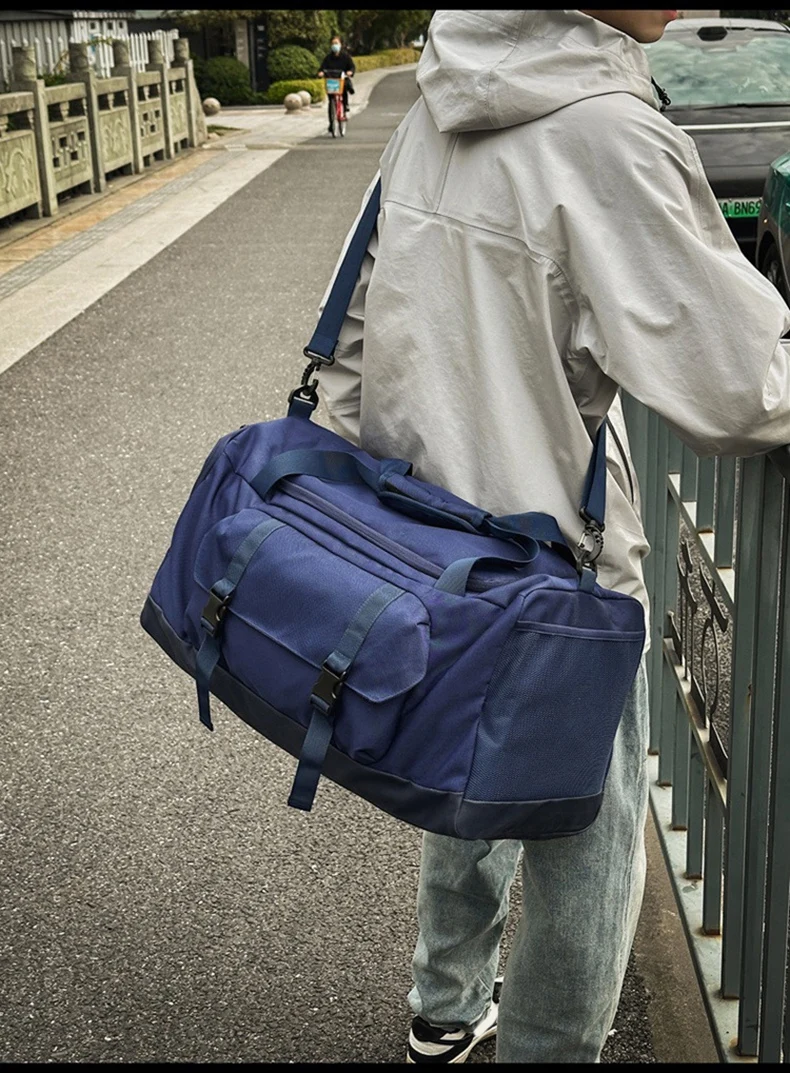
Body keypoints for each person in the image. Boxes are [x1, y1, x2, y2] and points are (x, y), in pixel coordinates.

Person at [316, 9, 790, 1064]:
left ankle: (444, 1004)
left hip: (426, 537)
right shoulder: (610, 130)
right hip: (555, 562)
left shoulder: (439, 97)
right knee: (587, 834)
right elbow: (739, 386)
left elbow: (351, 326)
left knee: (462, 761)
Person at [317, 35, 356, 130]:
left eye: (336, 43)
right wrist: (321, 72)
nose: (334, 45)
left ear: (341, 44)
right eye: (333, 43)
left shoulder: (346, 57)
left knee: (344, 88)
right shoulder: (328, 58)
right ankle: (331, 123)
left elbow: (352, 67)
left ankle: (345, 106)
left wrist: (350, 72)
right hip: (331, 81)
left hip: (342, 79)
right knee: (331, 101)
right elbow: (322, 68)